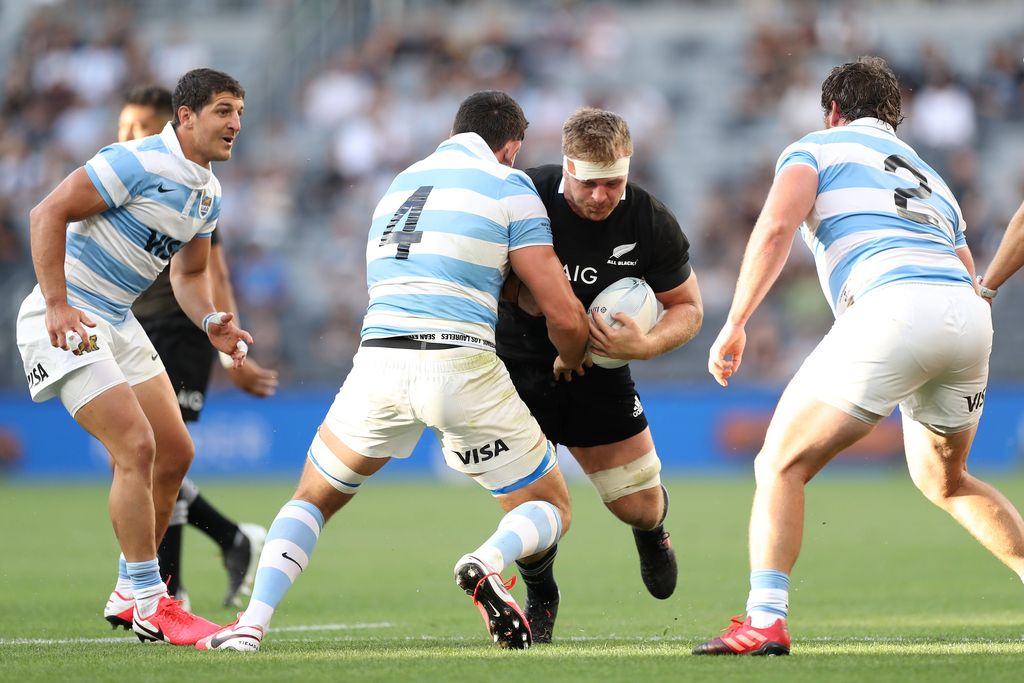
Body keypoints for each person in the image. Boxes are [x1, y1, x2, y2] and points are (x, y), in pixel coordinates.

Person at [196, 90, 589, 653]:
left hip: (379, 359)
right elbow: (561, 311)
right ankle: (486, 562)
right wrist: (571, 356)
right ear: (511, 147)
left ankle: (251, 625)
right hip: (459, 361)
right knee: (549, 506)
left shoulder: (400, 184)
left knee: (312, 497)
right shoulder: (509, 184)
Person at [694, 56, 1024, 656]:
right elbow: (967, 268)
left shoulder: (814, 148)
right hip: (967, 314)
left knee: (779, 464)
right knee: (944, 480)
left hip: (892, 307)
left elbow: (774, 228)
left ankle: (765, 620)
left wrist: (735, 322)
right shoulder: (932, 177)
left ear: (834, 110)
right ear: (894, 120)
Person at [16, 68, 252, 646]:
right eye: (224, 111)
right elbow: (46, 213)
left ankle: (129, 588)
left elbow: (190, 273)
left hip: (118, 320)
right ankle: (152, 601)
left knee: (175, 452)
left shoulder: (209, 192)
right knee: (136, 447)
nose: (236, 124)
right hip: (70, 314)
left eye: (240, 112)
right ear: (188, 115)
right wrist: (55, 304)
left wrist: (210, 320)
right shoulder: (135, 161)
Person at [495, 107, 703, 642]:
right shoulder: (523, 194)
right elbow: (480, 273)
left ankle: (653, 533)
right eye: (589, 184)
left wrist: (647, 343)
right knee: (537, 507)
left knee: (638, 505)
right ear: (566, 167)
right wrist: (540, 306)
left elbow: (688, 307)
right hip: (517, 366)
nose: (601, 196)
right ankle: (542, 592)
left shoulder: (649, 218)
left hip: (602, 373)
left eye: (614, 183)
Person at [119, 85, 274, 611]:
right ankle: (233, 539)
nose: (128, 137)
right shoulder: (135, 174)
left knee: (161, 455)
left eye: (138, 127)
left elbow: (213, 268)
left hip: (183, 332)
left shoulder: (195, 188)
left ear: (172, 122)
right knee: (141, 455)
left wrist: (234, 347)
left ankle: (169, 588)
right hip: (131, 328)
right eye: (123, 128)